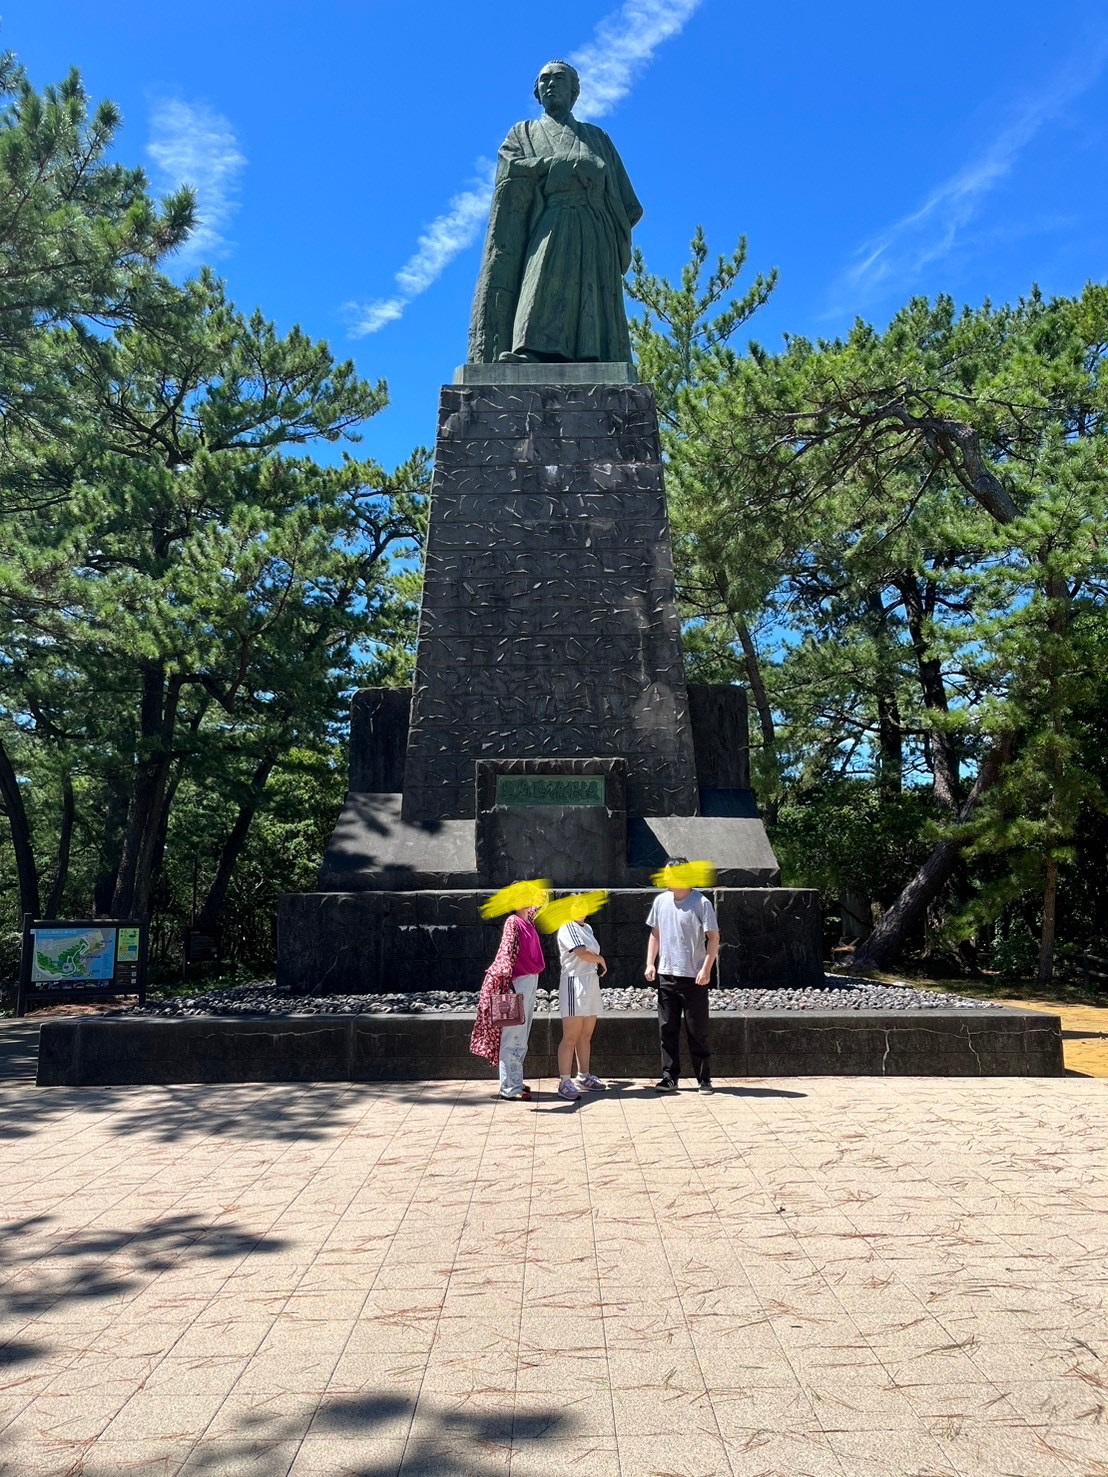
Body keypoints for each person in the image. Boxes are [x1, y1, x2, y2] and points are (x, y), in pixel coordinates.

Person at [467, 60, 643, 366]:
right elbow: (509, 169)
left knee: (590, 292)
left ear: (574, 91)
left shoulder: (598, 138)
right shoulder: (522, 133)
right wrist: (552, 166)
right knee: (541, 280)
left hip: (594, 227)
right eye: (544, 80)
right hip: (548, 220)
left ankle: (594, 354)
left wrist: (598, 195)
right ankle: (531, 351)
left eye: (559, 79)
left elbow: (628, 204)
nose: (550, 84)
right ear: (536, 92)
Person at [644, 858, 720, 1094]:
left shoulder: (701, 903)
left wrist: (706, 968)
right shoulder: (661, 901)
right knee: (667, 1028)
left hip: (694, 977)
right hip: (667, 974)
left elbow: (714, 938)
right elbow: (655, 934)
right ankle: (669, 1078)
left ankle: (703, 1079)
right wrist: (650, 963)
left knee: (697, 1029)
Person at [470, 904, 546, 1100]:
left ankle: (515, 1081)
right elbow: (506, 951)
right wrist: (504, 980)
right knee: (513, 1037)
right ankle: (510, 1088)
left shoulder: (528, 919)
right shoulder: (513, 922)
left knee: (521, 1035)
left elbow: (541, 905)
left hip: (528, 980)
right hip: (517, 982)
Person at [555, 905, 608, 1102]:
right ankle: (564, 1081)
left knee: (586, 1034)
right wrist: (601, 959)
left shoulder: (587, 928)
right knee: (571, 1036)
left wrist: (597, 962)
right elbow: (581, 953)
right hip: (574, 982)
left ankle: (584, 1076)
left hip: (591, 982)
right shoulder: (567, 926)